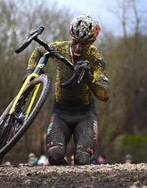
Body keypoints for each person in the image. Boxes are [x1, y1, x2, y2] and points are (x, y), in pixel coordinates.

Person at [26, 15, 110, 165]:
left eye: (84, 44)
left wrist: (89, 79)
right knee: (55, 156)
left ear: (92, 42)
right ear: (71, 37)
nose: (78, 48)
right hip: (60, 112)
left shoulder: (95, 57)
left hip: (85, 114)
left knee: (82, 159)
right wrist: (31, 71)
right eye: (75, 42)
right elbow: (39, 51)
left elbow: (104, 94)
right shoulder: (61, 48)